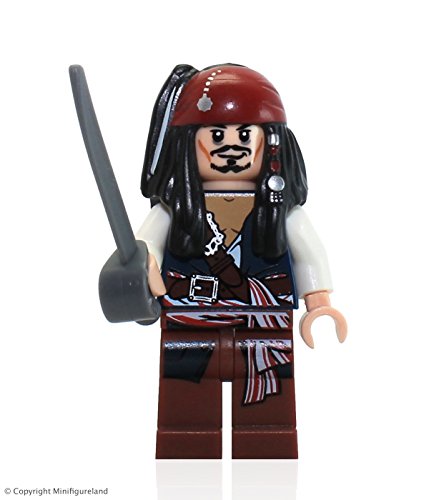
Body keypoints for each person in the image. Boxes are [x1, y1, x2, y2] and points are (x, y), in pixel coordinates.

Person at [133, 64, 347, 459]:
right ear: (187, 144)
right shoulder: (176, 210)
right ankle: (186, 453)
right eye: (216, 135)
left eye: (245, 134)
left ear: (272, 143)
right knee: (186, 399)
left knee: (268, 399)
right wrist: (142, 263)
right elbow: (146, 245)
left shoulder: (280, 212)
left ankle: (267, 453)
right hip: (190, 318)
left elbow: (309, 253)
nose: (231, 146)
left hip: (264, 321)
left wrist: (318, 303)